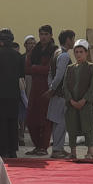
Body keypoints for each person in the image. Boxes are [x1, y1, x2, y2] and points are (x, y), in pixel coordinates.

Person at [0, 29, 25, 158]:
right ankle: (12, 149)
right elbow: (22, 73)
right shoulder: (17, 55)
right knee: (12, 122)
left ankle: (3, 149)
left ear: (0, 41)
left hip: (0, 93)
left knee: (0, 122)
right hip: (14, 94)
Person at [64, 39, 93, 159]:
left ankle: (90, 152)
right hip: (72, 104)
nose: (78, 54)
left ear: (86, 53)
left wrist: (84, 100)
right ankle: (73, 152)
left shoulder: (91, 68)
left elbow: (92, 87)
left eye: (81, 51)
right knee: (72, 127)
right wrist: (71, 101)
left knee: (87, 127)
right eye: (76, 51)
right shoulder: (70, 68)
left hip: (86, 104)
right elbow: (65, 87)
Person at [26, 25, 56, 155]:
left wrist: (36, 68)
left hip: (46, 87)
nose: (43, 37)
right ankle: (37, 146)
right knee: (31, 118)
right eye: (41, 34)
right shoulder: (36, 49)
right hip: (34, 88)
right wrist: (37, 68)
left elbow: (49, 70)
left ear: (50, 35)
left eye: (46, 34)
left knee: (45, 119)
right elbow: (27, 68)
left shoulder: (54, 50)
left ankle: (43, 146)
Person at [45, 29, 75, 158]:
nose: (73, 42)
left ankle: (58, 148)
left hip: (56, 93)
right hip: (61, 94)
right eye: (73, 39)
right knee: (61, 122)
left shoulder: (56, 53)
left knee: (58, 122)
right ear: (68, 40)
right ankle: (57, 149)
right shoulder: (64, 56)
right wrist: (52, 89)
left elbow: (50, 74)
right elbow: (59, 76)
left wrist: (51, 88)